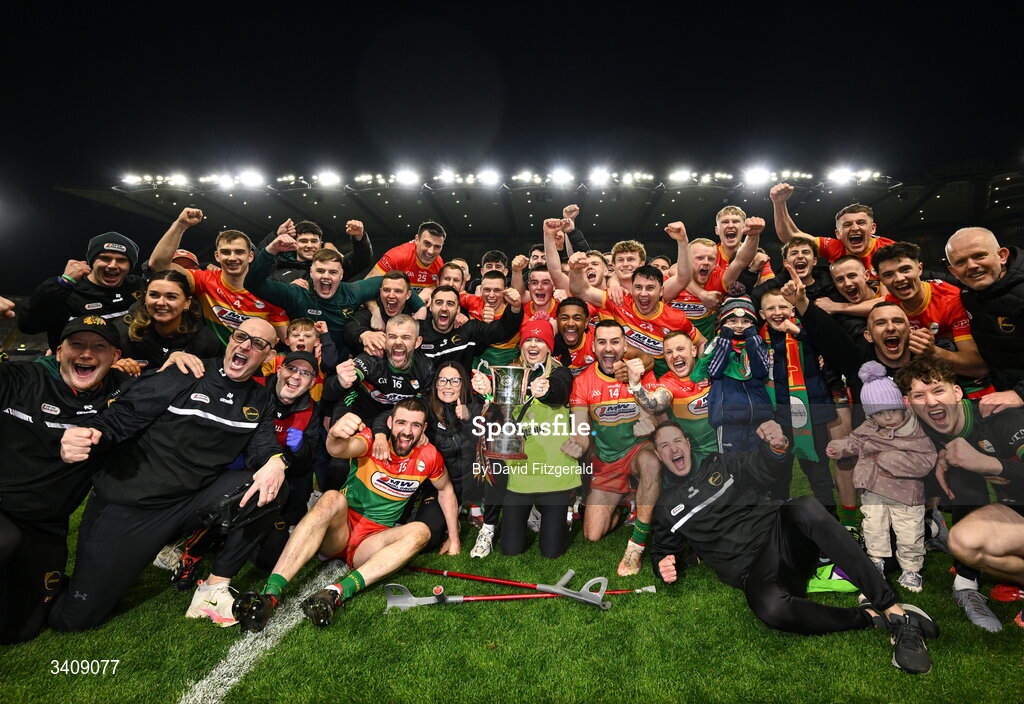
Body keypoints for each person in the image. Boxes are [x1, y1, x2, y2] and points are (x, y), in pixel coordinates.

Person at [49, 318, 289, 632]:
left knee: (271, 486)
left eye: (257, 344)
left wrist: (274, 461)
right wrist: (91, 433)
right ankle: (40, 589)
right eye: (241, 337)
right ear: (231, 339)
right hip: (132, 504)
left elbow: (263, 445)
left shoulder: (259, 398)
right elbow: (123, 416)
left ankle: (213, 588)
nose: (245, 345)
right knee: (76, 619)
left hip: (188, 503)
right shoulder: (188, 372)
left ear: (269, 356)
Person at [648, 420, 938, 675]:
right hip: (754, 571)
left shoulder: (719, 463)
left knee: (805, 506)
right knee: (770, 609)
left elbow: (764, 468)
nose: (672, 448)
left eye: (677, 440)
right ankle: (868, 617)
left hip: (782, 535)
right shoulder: (665, 507)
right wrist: (663, 563)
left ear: (687, 444)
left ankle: (892, 609)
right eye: (664, 446)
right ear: (660, 456)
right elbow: (662, 549)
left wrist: (777, 445)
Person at [231, 399, 460, 631]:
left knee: (421, 531)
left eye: (415, 425)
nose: (407, 431)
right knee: (331, 497)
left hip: (371, 543)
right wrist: (335, 435)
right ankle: (270, 595)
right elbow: (338, 449)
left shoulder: (429, 456)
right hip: (340, 530)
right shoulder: (373, 440)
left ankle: (336, 593)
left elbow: (446, 490)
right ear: (390, 422)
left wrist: (454, 537)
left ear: (423, 429)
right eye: (401, 423)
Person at [0, 317, 131, 643]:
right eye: (77, 345)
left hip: (48, 527)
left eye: (98, 346)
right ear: (59, 352)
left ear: (115, 356)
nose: (86, 354)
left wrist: (180, 357)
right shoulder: (21, 378)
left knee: (18, 631)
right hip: (2, 512)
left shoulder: (123, 391)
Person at [896, 355, 1024, 632]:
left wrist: (989, 463)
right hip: (1014, 509)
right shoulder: (920, 430)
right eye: (919, 395)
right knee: (964, 540)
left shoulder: (1001, 418)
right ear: (909, 403)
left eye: (938, 390)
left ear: (957, 392)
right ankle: (965, 584)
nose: (931, 402)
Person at [469, 322, 579, 559]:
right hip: (520, 474)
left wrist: (546, 390)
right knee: (510, 549)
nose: (533, 344)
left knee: (552, 552)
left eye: (540, 340)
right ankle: (531, 514)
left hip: (554, 473)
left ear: (549, 347)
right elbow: (497, 414)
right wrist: (487, 392)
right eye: (528, 340)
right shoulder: (510, 375)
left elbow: (559, 390)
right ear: (521, 347)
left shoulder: (560, 372)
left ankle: (562, 515)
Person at [826, 362, 937, 593]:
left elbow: (926, 460)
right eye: (879, 413)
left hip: (906, 494)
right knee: (873, 527)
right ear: (870, 414)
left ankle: (911, 569)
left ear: (901, 407)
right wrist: (840, 447)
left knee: (909, 531)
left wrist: (887, 459)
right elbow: (854, 442)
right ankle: (875, 561)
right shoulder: (868, 427)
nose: (887, 417)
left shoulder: (914, 431)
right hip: (874, 490)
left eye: (891, 410)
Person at [563, 320, 661, 577]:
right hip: (607, 461)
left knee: (651, 462)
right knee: (592, 535)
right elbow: (582, 431)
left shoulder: (640, 373)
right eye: (602, 342)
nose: (609, 348)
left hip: (639, 451)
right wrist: (577, 445)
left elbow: (654, 413)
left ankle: (636, 546)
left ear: (625, 346)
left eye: (615, 342)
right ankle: (625, 503)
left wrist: (648, 422)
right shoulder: (583, 382)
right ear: (594, 347)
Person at [369, 361, 481, 552]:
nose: (447, 386)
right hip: (436, 486)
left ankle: (466, 510)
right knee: (430, 536)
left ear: (463, 384)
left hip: (469, 484)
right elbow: (389, 415)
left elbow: (490, 441)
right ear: (435, 383)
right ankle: (431, 515)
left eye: (455, 381)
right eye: (442, 380)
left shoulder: (476, 406)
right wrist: (380, 434)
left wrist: (469, 419)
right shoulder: (426, 407)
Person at [149, 209, 290, 345]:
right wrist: (181, 224)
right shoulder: (204, 280)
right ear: (217, 256)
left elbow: (289, 340)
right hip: (213, 361)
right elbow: (158, 265)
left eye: (239, 252)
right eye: (226, 252)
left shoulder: (269, 293)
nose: (232, 258)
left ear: (250, 256)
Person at [874, 242, 990, 392]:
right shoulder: (891, 304)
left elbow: (979, 368)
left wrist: (933, 352)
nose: (899, 279)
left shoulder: (951, 300)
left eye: (905, 269)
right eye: (889, 274)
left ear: (920, 269)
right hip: (925, 382)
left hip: (968, 383)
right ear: (881, 279)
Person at [20, 232, 144, 352]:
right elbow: (29, 326)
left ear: (130, 266)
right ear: (92, 262)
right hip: (77, 368)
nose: (112, 265)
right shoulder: (66, 291)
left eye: (121, 260)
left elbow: (157, 265)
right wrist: (64, 282)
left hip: (129, 366)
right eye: (105, 258)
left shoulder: (136, 285)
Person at [944, 227, 1024, 414]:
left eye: (979, 256)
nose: (971, 265)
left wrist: (1019, 394)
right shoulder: (970, 291)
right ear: (954, 272)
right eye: (961, 262)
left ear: (1002, 256)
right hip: (1004, 395)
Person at [691, 287, 773, 453]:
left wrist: (752, 341)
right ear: (723, 323)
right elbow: (715, 371)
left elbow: (761, 372)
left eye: (745, 321)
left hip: (759, 417)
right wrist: (725, 343)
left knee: (760, 467)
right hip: (728, 420)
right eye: (732, 321)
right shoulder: (714, 345)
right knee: (732, 468)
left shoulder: (758, 343)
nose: (739, 326)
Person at [771, 184, 895, 280]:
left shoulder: (890, 250)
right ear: (838, 234)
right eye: (847, 225)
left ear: (872, 228)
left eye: (861, 222)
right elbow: (790, 237)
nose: (855, 228)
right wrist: (779, 203)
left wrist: (838, 307)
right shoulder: (833, 246)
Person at [330, 315, 434, 424]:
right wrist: (339, 382)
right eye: (393, 336)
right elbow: (329, 394)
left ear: (417, 342)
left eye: (405, 337)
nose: (398, 342)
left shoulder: (425, 368)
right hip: (360, 419)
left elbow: (420, 409)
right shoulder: (372, 358)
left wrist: (381, 430)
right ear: (385, 338)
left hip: (396, 424)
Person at [113, 270, 221, 373]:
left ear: (187, 303)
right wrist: (114, 366)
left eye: (171, 297)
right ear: (145, 298)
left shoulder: (206, 340)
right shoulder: (121, 331)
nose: (161, 302)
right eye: (154, 295)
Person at [417, 285, 524, 371]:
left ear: (458, 309)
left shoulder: (469, 329)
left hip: (460, 395)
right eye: (439, 303)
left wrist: (515, 307)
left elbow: (502, 330)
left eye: (450, 304)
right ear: (431, 307)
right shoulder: (417, 330)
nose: (444, 308)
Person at [342, 271, 420, 357]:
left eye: (398, 291)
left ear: (408, 295)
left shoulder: (415, 314)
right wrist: (365, 335)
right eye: (386, 290)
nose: (391, 295)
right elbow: (350, 328)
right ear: (380, 292)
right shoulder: (370, 311)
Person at [367, 221, 446, 292]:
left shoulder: (439, 264)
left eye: (437, 247)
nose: (431, 251)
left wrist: (431, 289)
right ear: (417, 239)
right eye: (427, 243)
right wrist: (374, 307)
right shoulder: (397, 256)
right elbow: (365, 287)